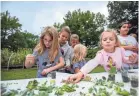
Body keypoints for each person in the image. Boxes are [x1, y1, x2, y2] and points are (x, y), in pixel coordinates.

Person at [67, 29, 137, 83]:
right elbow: (93, 62)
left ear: (115, 42)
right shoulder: (101, 54)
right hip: (109, 75)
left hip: (120, 74)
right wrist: (81, 73)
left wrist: (131, 59)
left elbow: (125, 59)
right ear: (101, 43)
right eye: (105, 39)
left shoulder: (120, 50)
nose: (108, 41)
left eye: (111, 39)